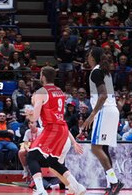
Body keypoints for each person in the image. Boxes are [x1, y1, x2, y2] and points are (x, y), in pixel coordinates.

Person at [26, 66, 85, 195]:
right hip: (62, 129)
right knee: (53, 162)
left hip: (52, 129)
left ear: (43, 76)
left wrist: (28, 114)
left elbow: (35, 117)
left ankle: (40, 190)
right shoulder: (60, 91)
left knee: (31, 157)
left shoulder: (41, 92)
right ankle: (77, 186)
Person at [82, 47, 124, 193]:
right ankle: (110, 184)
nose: (87, 57)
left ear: (92, 57)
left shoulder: (96, 72)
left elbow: (103, 95)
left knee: (95, 148)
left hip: (104, 111)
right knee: (103, 148)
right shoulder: (104, 71)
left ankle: (114, 182)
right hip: (112, 112)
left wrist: (92, 114)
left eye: (88, 55)